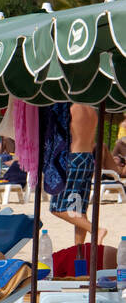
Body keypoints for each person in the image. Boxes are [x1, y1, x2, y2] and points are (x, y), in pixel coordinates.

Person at [50, 103, 103, 247]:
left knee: (57, 208)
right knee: (79, 208)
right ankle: (78, 249)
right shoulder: (92, 110)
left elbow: (59, 135)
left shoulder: (70, 108)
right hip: (88, 159)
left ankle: (96, 230)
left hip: (73, 157)